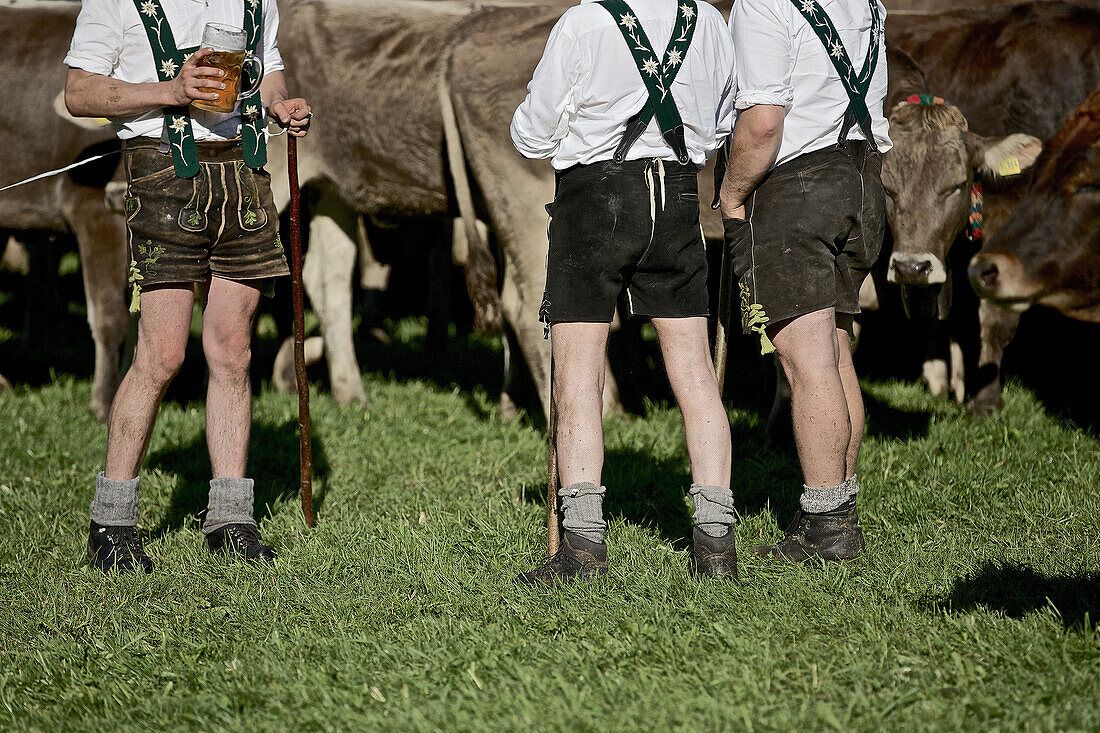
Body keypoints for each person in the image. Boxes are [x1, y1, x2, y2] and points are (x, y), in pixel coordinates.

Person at [64, 0, 311, 572]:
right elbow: (79, 93)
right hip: (161, 172)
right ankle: (113, 521)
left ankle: (231, 517)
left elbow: (267, 65)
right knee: (162, 353)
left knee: (233, 350)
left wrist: (279, 104)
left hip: (244, 175)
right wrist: (170, 93)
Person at [511, 0, 736, 584]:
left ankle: (582, 549)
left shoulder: (585, 21)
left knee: (578, 379)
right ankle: (716, 545)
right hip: (679, 195)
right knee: (695, 374)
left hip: (595, 199)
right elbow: (719, 125)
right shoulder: (707, 20)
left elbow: (532, 135)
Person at [719, 0, 890, 562]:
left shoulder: (762, 3)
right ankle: (839, 510)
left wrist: (731, 191)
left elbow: (764, 120)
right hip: (863, 181)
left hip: (799, 189)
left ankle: (827, 526)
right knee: (835, 351)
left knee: (806, 362)